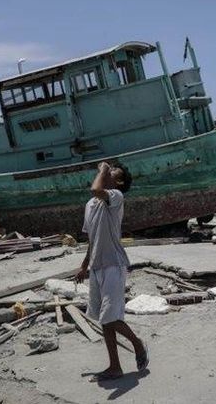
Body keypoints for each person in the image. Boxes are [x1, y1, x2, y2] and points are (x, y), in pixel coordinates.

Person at [75, 161, 148, 381]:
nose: (107, 173)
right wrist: (84, 265)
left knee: (110, 317)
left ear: (119, 181)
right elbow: (91, 238)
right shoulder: (90, 204)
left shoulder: (115, 196)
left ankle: (137, 343)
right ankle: (115, 366)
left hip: (114, 264)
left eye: (113, 172)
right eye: (107, 170)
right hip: (97, 265)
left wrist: (104, 170)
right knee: (104, 319)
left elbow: (96, 189)